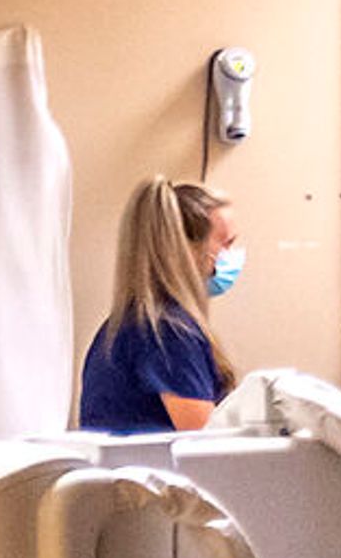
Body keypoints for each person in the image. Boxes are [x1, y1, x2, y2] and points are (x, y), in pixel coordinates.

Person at [74, 179, 238, 435]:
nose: (232, 255)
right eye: (226, 243)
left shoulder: (132, 324)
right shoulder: (167, 332)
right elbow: (206, 444)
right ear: (188, 250)